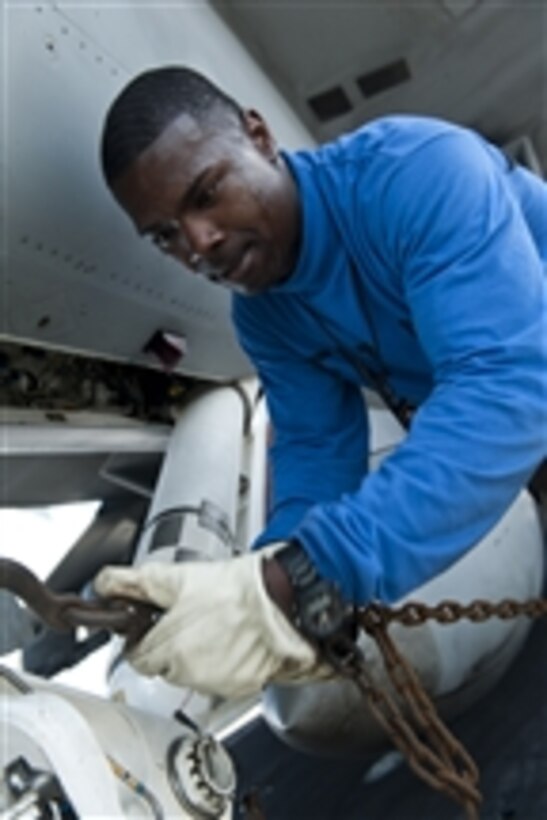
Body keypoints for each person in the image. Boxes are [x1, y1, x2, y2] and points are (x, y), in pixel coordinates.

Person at [95, 66, 547, 699]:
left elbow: (509, 386)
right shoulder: (264, 315)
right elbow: (314, 450)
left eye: (206, 194)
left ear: (259, 136)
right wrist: (267, 570)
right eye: (165, 236)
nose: (199, 244)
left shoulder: (416, 173)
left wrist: (306, 576)